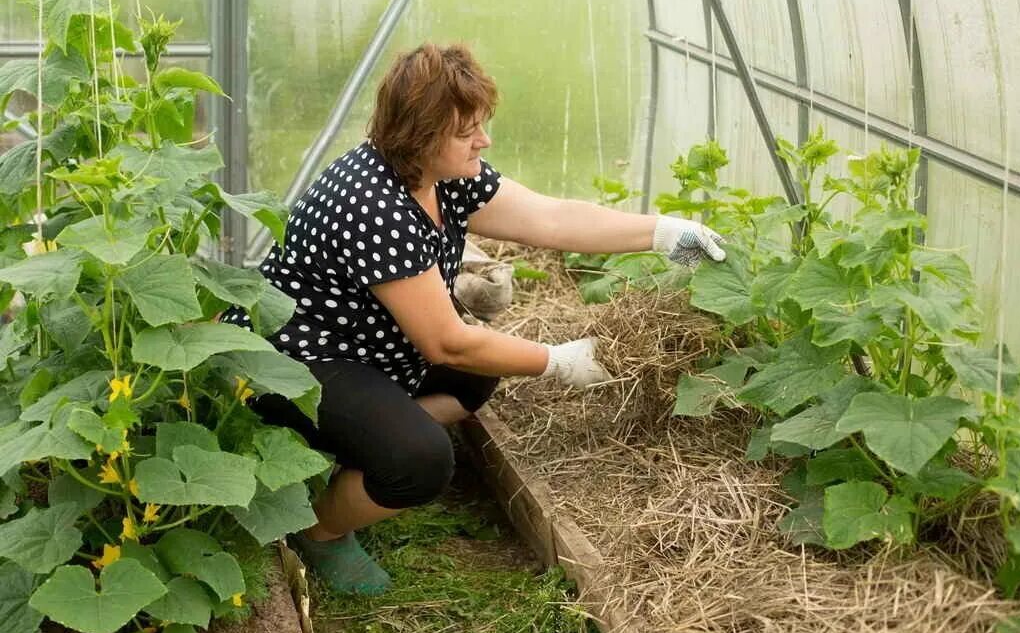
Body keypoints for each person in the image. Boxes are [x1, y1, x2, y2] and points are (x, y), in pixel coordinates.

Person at [220, 42, 725, 596]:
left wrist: (660, 232)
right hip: (296, 361)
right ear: (419, 132)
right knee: (421, 461)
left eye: (481, 125)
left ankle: (351, 457)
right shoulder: (371, 203)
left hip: (370, 345)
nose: (482, 140)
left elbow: (551, 219)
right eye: (467, 132)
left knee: (477, 375)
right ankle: (319, 527)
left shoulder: (444, 174)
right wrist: (559, 362)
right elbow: (446, 343)